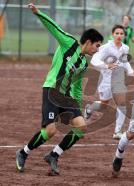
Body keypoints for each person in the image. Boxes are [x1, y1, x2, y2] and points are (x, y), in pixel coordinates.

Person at [15, 3, 103, 175]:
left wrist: (77, 108)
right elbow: (54, 28)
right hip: (51, 90)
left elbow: (77, 87)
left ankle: (54, 155)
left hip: (66, 97)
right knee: (50, 131)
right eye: (97, 45)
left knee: (81, 127)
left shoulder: (84, 63)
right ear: (88, 42)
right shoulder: (69, 43)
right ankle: (23, 152)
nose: (97, 49)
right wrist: (37, 12)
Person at [84, 24, 134, 140]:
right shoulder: (106, 47)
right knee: (103, 105)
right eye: (117, 33)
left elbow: (125, 61)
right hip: (105, 80)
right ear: (112, 34)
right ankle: (89, 108)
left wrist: (130, 71)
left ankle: (117, 132)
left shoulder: (125, 48)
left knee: (122, 104)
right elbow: (94, 60)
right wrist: (107, 66)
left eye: (121, 33)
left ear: (124, 35)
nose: (119, 35)